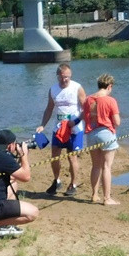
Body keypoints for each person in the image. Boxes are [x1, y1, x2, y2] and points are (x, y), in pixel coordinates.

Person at [36, 62, 85, 196]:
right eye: (62, 77)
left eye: (67, 77)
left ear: (71, 75)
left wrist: (75, 121)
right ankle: (57, 180)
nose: (64, 80)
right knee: (54, 156)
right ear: (57, 76)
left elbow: (86, 109)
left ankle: (73, 184)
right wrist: (42, 125)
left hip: (74, 129)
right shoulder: (53, 89)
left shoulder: (77, 88)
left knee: (72, 157)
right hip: (58, 128)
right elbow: (49, 109)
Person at [83, 73, 122, 205]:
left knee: (95, 166)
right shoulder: (111, 101)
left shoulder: (88, 99)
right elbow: (117, 122)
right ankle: (107, 198)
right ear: (109, 86)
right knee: (106, 167)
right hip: (106, 133)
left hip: (91, 134)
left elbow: (85, 116)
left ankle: (94, 194)